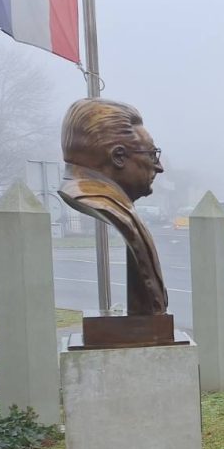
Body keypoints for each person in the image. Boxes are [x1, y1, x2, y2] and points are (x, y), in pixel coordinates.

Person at [58, 98, 168, 315]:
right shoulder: (112, 208)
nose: (159, 167)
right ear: (118, 157)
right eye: (152, 154)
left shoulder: (120, 207)